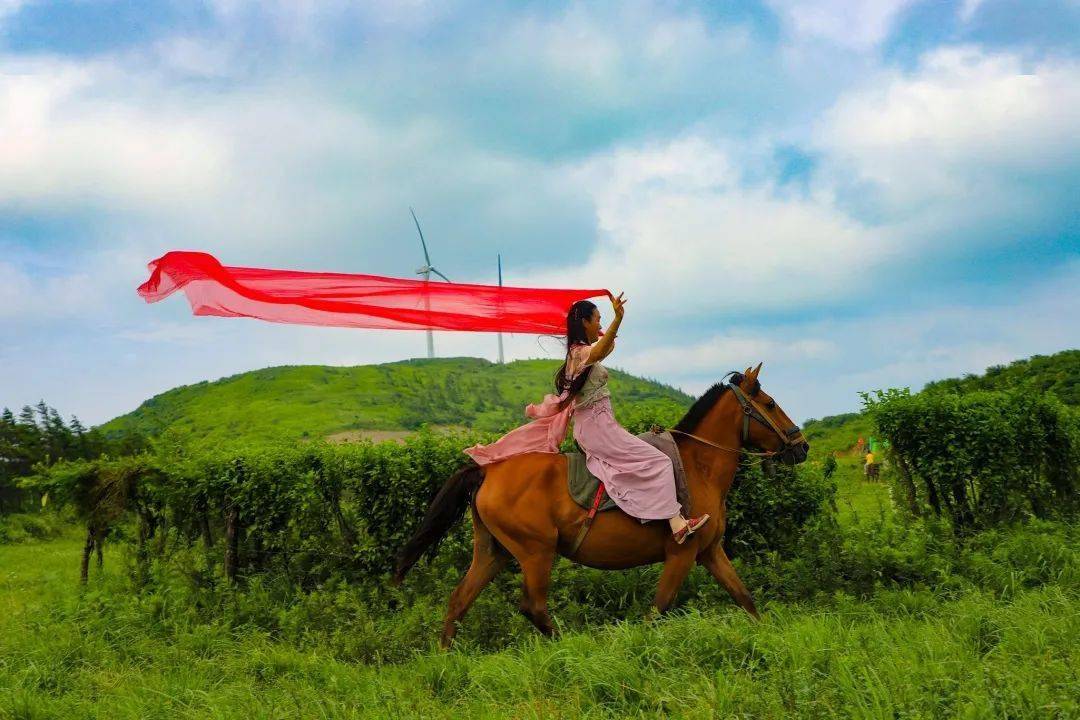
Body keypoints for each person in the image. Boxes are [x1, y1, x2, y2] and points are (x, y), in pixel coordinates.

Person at [464, 292, 709, 544]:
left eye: (603, 321)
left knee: (642, 459)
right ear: (585, 322)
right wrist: (617, 320)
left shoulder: (581, 353)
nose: (601, 326)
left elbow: (605, 347)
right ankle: (676, 523)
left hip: (601, 428)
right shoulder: (579, 353)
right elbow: (601, 348)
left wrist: (611, 329)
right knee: (658, 461)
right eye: (598, 320)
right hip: (597, 431)